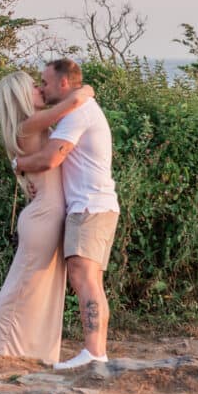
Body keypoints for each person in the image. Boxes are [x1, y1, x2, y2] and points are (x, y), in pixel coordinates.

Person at [0, 71, 95, 365]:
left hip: (47, 216)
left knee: (42, 291)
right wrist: (86, 91)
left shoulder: (29, 127)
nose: (39, 89)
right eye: (34, 86)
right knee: (22, 287)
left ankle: (32, 354)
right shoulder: (28, 125)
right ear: (21, 95)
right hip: (43, 218)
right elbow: (69, 105)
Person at [15, 59, 119, 370]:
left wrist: (18, 166)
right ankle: (95, 352)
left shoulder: (79, 112)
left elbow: (49, 159)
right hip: (89, 205)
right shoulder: (74, 111)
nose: (42, 88)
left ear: (63, 83)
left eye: (44, 82)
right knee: (88, 278)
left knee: (84, 277)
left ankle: (94, 353)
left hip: (90, 206)